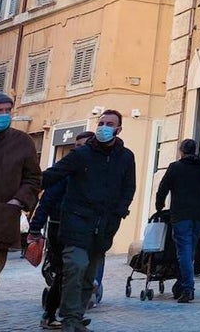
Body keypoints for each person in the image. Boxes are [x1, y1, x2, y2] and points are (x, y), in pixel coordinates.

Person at [43, 109, 136, 332]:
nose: (104, 127)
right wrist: (24, 183)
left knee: (89, 275)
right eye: (101, 122)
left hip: (104, 226)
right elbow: (53, 175)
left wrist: (119, 211)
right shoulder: (81, 154)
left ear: (119, 129)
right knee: (76, 266)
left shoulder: (126, 157)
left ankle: (76, 317)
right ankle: (69, 319)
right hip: (76, 221)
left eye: (109, 123)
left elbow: (129, 187)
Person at [28, 131, 94, 329]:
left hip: (84, 228)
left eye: (84, 146)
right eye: (77, 146)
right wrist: (35, 228)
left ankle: (72, 314)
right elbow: (46, 200)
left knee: (77, 273)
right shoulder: (65, 172)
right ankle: (50, 314)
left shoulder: (93, 172)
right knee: (64, 273)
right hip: (60, 228)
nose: (79, 150)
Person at [0, 91, 41, 305]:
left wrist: (18, 201)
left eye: (7, 111)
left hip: (0, 222)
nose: (4, 115)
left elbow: (33, 178)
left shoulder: (22, 141)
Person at [155, 139, 200, 303]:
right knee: (190, 250)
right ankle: (181, 285)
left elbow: (163, 188)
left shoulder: (175, 167)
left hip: (181, 214)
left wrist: (159, 207)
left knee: (184, 252)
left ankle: (187, 287)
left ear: (181, 151)